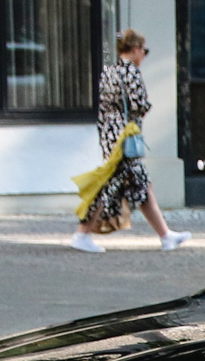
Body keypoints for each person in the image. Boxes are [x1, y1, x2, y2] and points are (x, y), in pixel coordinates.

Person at [72, 29, 187, 252]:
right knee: (110, 184)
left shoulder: (109, 72)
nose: (144, 55)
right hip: (125, 138)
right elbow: (139, 105)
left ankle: (166, 235)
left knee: (142, 185)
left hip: (110, 135)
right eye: (144, 51)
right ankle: (82, 234)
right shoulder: (131, 72)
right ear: (135, 49)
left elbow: (104, 105)